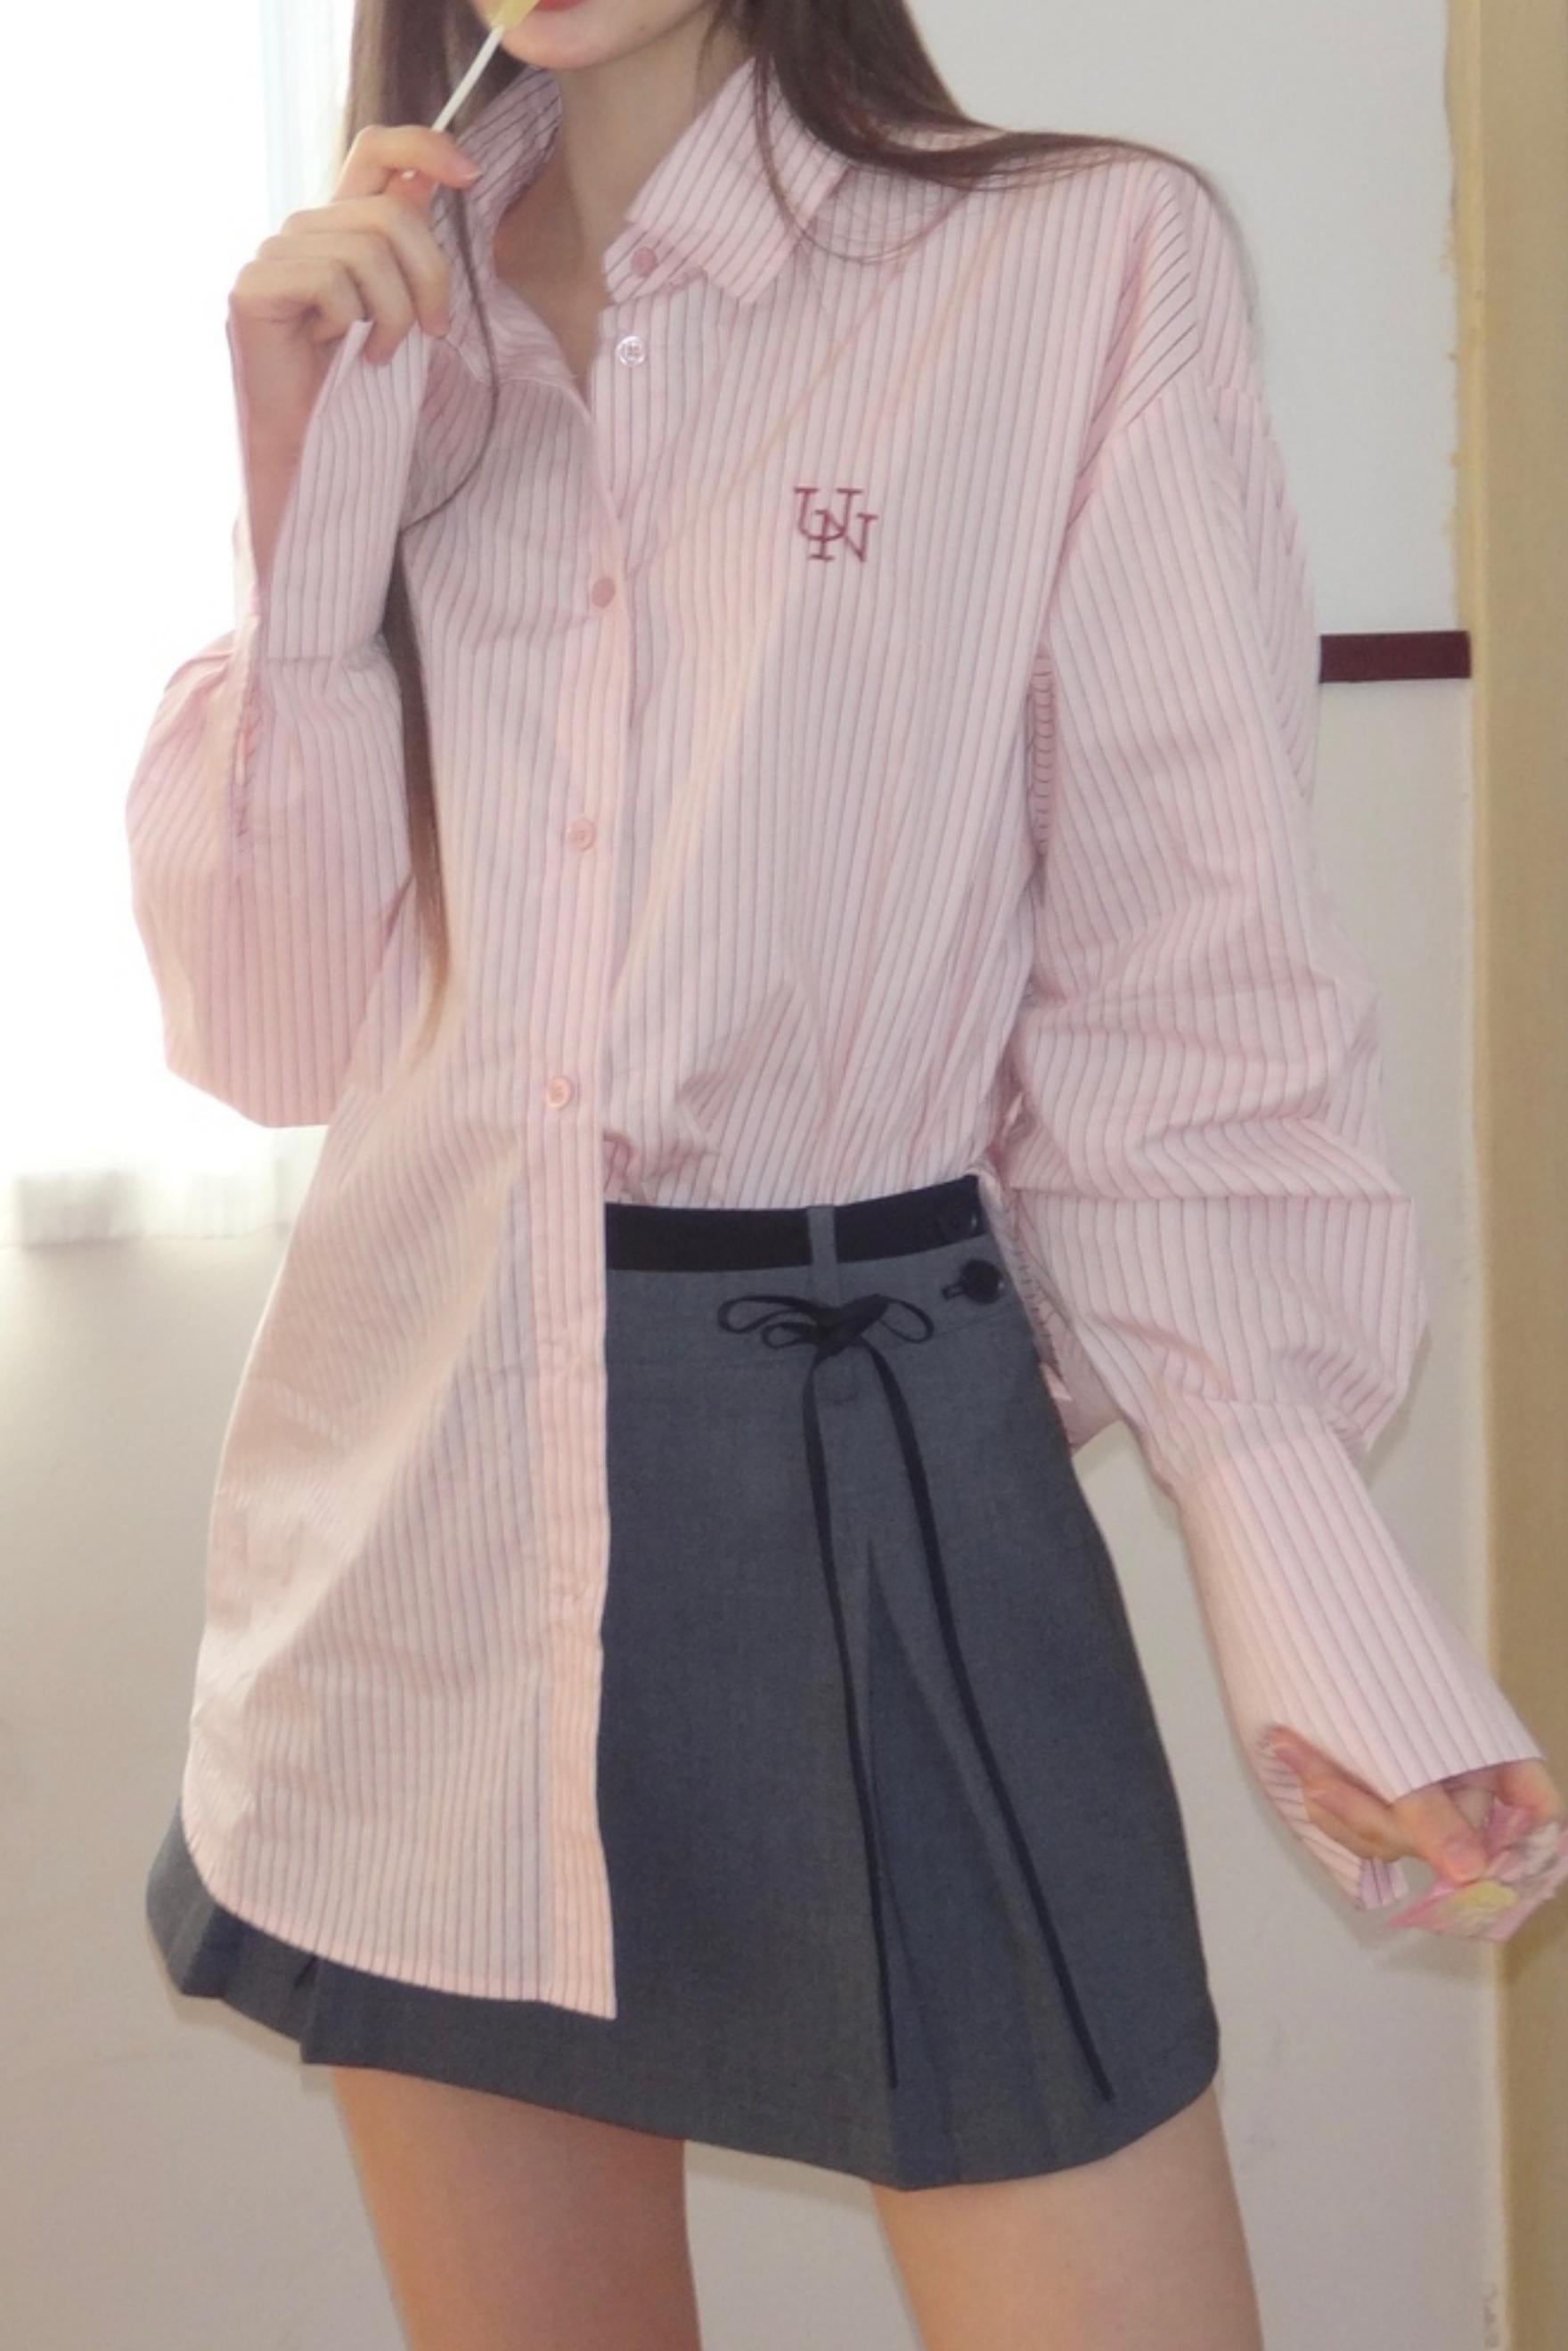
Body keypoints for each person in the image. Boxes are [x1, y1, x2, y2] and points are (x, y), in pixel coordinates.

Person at [127, 2, 1564, 2346]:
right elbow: (273, 1036)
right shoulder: (387, 312)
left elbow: (1184, 982)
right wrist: (303, 509)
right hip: (424, 1519)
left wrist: (1292, 1551)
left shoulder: (1074, 262)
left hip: (874, 1454)